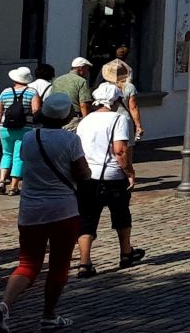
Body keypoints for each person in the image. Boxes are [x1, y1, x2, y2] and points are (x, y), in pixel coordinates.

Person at [0, 91, 88, 333]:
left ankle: (4, 305)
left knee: (28, 263)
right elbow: (83, 173)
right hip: (62, 209)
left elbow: (25, 162)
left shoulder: (29, 138)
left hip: (31, 209)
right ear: (66, 117)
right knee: (59, 265)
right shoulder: (70, 140)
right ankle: (48, 315)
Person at [74, 84, 141, 275]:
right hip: (111, 175)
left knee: (86, 219)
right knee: (121, 215)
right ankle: (126, 253)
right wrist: (129, 171)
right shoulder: (118, 119)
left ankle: (84, 262)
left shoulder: (86, 120)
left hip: (88, 176)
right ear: (115, 100)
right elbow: (120, 150)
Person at [0, 66, 43, 196]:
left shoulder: (5, 92)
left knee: (6, 153)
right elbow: (36, 110)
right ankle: (14, 186)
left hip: (5, 128)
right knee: (19, 156)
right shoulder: (32, 92)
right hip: (24, 128)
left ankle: (2, 180)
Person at [54, 58, 95, 130]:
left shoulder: (57, 80)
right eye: (87, 69)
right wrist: (86, 122)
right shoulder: (81, 81)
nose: (88, 72)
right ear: (81, 68)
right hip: (73, 119)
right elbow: (83, 105)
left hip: (56, 116)